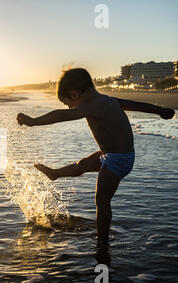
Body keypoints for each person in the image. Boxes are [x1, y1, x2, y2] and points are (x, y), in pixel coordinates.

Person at [16, 68, 175, 243]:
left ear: (74, 94)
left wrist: (32, 121)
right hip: (113, 155)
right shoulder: (107, 100)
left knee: (102, 200)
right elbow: (134, 104)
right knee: (82, 165)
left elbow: (62, 115)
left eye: (67, 102)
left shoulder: (90, 105)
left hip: (117, 160)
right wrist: (159, 110)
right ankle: (55, 174)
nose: (70, 107)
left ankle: (102, 241)